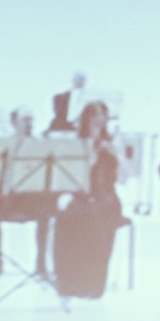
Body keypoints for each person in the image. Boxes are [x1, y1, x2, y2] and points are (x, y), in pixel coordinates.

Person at [52, 101, 123, 298]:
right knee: (66, 219)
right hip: (81, 196)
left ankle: (92, 284)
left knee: (97, 219)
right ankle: (69, 283)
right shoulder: (76, 144)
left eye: (102, 119)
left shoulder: (111, 144)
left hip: (106, 198)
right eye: (94, 119)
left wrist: (116, 155)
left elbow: (123, 178)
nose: (98, 123)